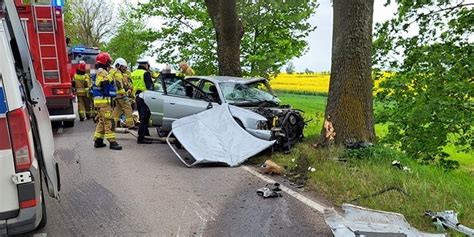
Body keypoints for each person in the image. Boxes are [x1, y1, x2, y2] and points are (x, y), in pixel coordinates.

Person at [92, 52, 122, 150]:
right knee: (109, 121)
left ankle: (98, 140)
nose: (109, 63)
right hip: (103, 102)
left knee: (102, 121)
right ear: (104, 61)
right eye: (108, 61)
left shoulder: (99, 71)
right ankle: (112, 142)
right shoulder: (101, 71)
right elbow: (103, 83)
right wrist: (111, 75)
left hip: (101, 102)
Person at [131, 59, 154, 144]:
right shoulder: (145, 73)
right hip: (145, 97)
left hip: (137, 96)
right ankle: (141, 137)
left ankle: (146, 134)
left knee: (142, 117)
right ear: (146, 65)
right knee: (145, 116)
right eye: (148, 65)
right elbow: (150, 87)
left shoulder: (133, 73)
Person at [110, 58, 135, 129]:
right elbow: (119, 85)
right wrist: (125, 94)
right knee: (128, 107)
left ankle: (112, 124)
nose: (125, 69)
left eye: (126, 67)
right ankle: (130, 124)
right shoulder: (117, 73)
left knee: (118, 109)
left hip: (117, 95)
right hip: (121, 95)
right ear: (118, 65)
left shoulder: (117, 72)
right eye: (124, 67)